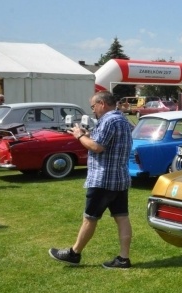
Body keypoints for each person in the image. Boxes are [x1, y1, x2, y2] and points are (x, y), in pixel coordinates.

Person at [49, 91, 134, 269]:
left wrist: (80, 135)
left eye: (93, 106)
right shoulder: (123, 120)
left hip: (103, 179)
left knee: (90, 218)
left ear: (102, 103)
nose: (93, 110)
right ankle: (123, 258)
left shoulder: (109, 120)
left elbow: (97, 147)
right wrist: (88, 134)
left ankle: (74, 253)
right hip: (119, 178)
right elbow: (107, 142)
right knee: (122, 217)